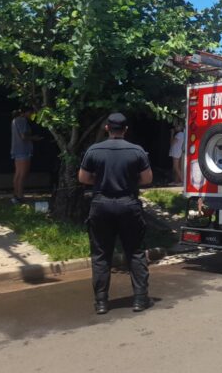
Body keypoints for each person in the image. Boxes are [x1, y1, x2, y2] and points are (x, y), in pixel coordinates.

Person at [78, 113, 153, 314]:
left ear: (106, 128)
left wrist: (101, 181)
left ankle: (101, 302)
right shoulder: (136, 151)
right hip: (128, 204)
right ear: (125, 130)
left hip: (101, 204)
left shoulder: (94, 150)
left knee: (101, 254)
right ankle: (140, 299)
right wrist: (129, 181)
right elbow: (147, 179)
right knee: (135, 252)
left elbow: (83, 177)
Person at [10, 108, 41, 204]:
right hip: (23, 151)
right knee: (22, 175)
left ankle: (16, 196)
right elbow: (23, 137)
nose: (33, 115)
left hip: (16, 150)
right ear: (26, 112)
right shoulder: (22, 120)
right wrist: (34, 138)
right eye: (32, 112)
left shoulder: (15, 120)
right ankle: (20, 197)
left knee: (18, 174)